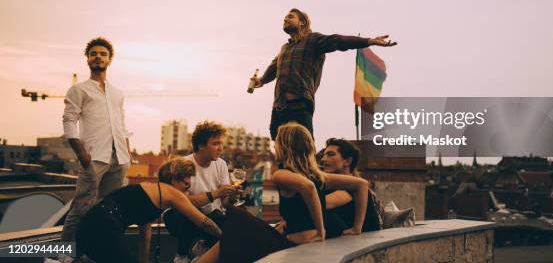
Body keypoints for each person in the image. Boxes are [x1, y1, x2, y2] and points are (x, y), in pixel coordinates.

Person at [195, 122, 370, 263]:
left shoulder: (282, 174)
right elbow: (362, 185)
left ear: (285, 146)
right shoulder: (320, 176)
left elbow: (307, 188)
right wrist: (356, 228)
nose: (274, 145)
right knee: (234, 233)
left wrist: (320, 231)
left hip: (291, 245)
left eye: (277, 141)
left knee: (237, 223)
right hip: (299, 243)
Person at [250, 8, 397, 140]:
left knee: (302, 147)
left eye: (290, 16)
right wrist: (261, 81)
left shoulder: (313, 40)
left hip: (299, 105)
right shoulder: (285, 48)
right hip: (279, 107)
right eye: (285, 17)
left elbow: (338, 41)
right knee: (280, 147)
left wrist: (368, 41)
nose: (285, 19)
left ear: (302, 23)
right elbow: (274, 67)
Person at [60, 37, 132, 262]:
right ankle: (65, 256)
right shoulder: (79, 89)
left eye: (102, 53)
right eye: (93, 54)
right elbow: (69, 120)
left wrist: (127, 152)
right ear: (88, 60)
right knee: (81, 207)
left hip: (119, 158)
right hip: (94, 157)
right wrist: (81, 153)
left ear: (110, 59)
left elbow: (121, 123)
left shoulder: (118, 93)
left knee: (111, 210)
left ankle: (101, 252)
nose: (98, 56)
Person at [75, 158, 222, 263]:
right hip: (105, 225)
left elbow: (145, 235)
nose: (187, 190)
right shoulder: (172, 193)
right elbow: (204, 223)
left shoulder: (150, 191)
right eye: (186, 184)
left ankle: (59, 253)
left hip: (90, 223)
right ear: (173, 179)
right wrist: (225, 237)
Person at [163, 121, 239, 262]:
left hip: (209, 216)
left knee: (231, 223)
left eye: (221, 143)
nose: (221, 148)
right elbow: (180, 201)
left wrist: (232, 197)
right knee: (188, 215)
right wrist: (216, 193)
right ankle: (182, 256)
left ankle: (202, 248)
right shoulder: (184, 164)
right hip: (180, 215)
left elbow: (225, 203)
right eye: (216, 143)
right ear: (201, 145)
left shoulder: (221, 164)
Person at [321, 138, 383, 233]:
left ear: (347, 161)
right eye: (324, 155)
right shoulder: (333, 186)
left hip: (366, 243)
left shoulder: (353, 187)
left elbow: (323, 204)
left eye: (330, 154)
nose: (323, 159)